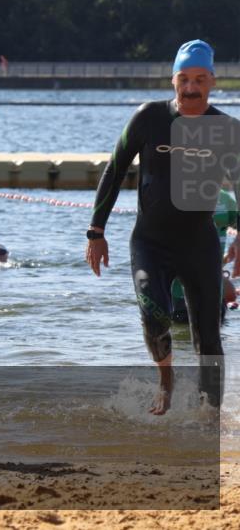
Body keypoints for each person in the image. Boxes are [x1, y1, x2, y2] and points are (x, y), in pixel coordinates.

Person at [86, 39, 238, 415]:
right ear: (173, 80)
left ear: (212, 82)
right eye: (184, 78)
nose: (191, 87)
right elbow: (114, 169)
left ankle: (209, 417)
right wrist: (96, 231)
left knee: (209, 339)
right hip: (150, 243)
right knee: (155, 316)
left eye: (200, 79)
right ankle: (166, 380)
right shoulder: (148, 117)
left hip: (199, 245)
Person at [170, 188, 237, 323]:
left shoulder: (225, 199)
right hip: (180, 292)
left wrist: (233, 249)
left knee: (215, 339)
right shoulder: (175, 196)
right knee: (181, 338)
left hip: (215, 293)